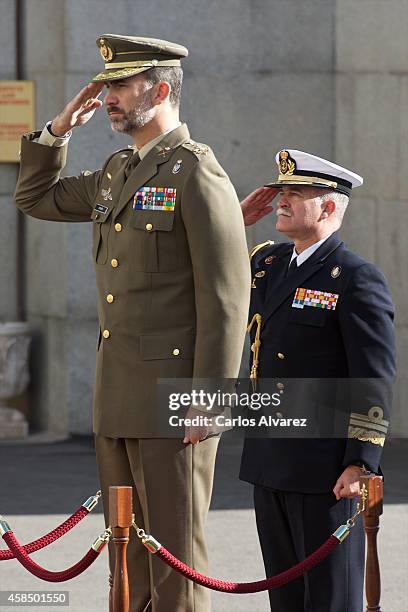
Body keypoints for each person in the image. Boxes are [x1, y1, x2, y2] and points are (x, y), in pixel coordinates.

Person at [14, 34, 250, 612]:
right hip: (117, 396)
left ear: (162, 90)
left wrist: (211, 400)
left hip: (176, 403)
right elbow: (34, 197)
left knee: (176, 561)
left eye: (120, 85)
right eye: (108, 85)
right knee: (128, 561)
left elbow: (225, 299)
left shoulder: (197, 174)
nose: (107, 96)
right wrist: (59, 129)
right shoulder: (120, 171)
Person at [239, 149, 396, 612]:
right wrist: (232, 220)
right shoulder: (267, 263)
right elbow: (207, 274)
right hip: (270, 458)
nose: (281, 201)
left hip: (326, 467)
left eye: (295, 193)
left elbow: (373, 377)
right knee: (284, 598)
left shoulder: (354, 277)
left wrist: (361, 462)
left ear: (328, 207)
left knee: (330, 598)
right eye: (281, 191)